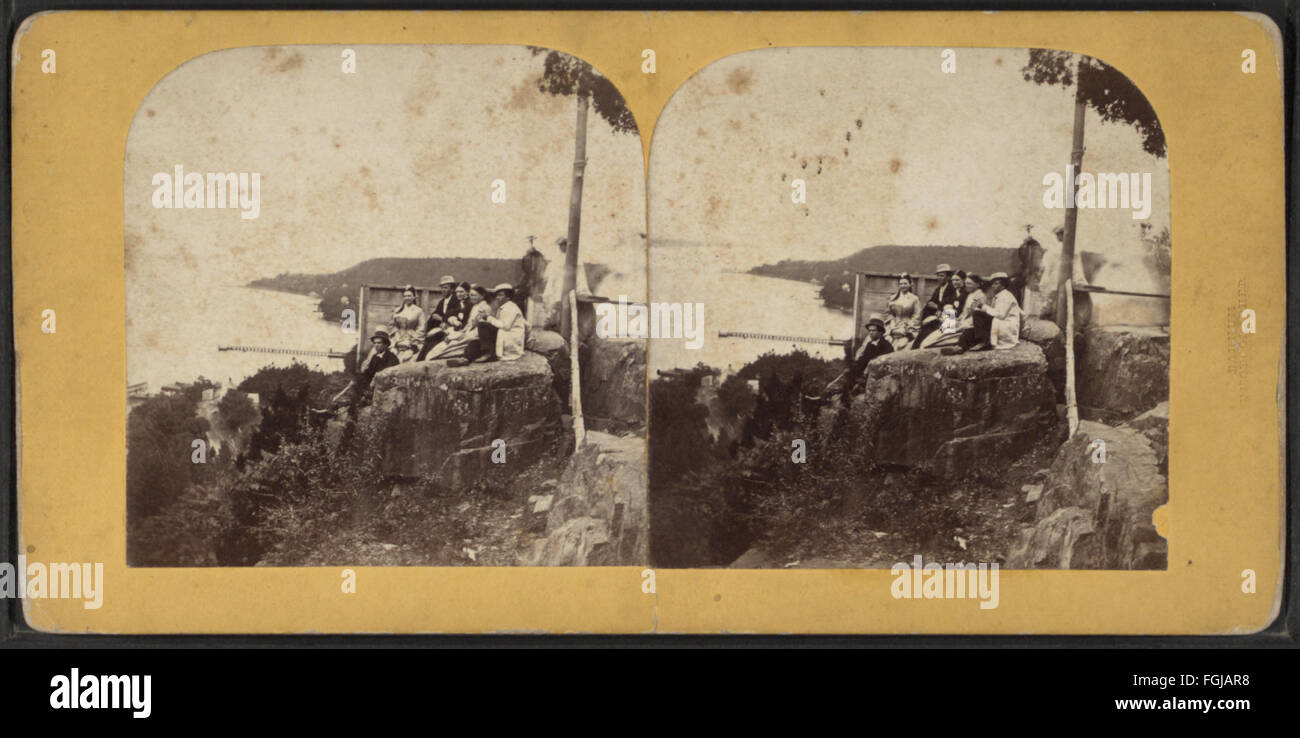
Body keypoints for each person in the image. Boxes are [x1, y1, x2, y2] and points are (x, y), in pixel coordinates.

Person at [944, 271, 1021, 354]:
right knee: (969, 331)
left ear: (1003, 285)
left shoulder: (1005, 296)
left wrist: (982, 306)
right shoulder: (999, 296)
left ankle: (984, 342)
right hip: (998, 323)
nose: (993, 286)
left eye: (996, 284)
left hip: (1005, 325)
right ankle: (959, 347)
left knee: (978, 314)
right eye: (992, 284)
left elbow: (1000, 315)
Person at [330, 329, 400, 410]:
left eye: (379, 343)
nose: (376, 345)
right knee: (355, 385)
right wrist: (356, 379)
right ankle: (349, 410)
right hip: (372, 384)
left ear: (386, 344)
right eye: (375, 343)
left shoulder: (392, 358)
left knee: (360, 394)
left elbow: (389, 374)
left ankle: (354, 407)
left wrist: (373, 381)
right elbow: (368, 372)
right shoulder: (375, 356)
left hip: (383, 386)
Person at [425, 285, 490, 362]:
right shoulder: (475, 306)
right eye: (471, 295)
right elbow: (469, 324)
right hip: (467, 332)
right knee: (443, 343)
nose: (472, 297)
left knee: (448, 345)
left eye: (474, 295)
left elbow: (475, 326)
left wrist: (459, 335)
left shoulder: (484, 307)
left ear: (482, 296)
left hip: (476, 335)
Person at [416, 276, 462, 359]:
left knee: (433, 341)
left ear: (452, 289)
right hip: (441, 327)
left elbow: (455, 314)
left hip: (452, 328)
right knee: (429, 339)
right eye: (442, 288)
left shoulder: (456, 300)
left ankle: (424, 359)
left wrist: (442, 319)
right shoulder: (442, 301)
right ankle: (420, 359)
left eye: (446, 288)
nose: (443, 290)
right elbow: (435, 315)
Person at [386, 286, 426, 363]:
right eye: (405, 296)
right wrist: (395, 336)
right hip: (397, 337)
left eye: (409, 296)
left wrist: (413, 340)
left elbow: (421, 327)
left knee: (409, 356)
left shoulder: (418, 311)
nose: (407, 298)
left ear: (414, 297)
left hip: (412, 337)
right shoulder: (397, 310)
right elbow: (392, 325)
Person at [884, 273, 921, 351]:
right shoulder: (893, 298)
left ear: (910, 285)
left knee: (904, 344)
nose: (903, 286)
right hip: (893, 325)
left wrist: (906, 328)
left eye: (905, 283)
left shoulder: (914, 299)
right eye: (901, 284)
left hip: (908, 326)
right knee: (886, 340)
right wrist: (892, 325)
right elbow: (888, 313)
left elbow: (917, 316)